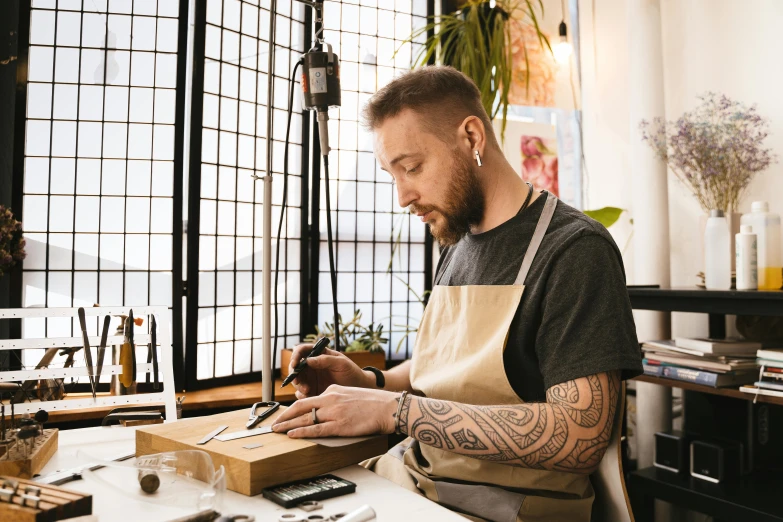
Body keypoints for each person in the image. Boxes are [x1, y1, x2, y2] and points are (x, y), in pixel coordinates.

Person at [272, 66, 643, 521]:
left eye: (411, 167)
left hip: (510, 508)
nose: (403, 196)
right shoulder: (459, 242)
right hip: (415, 483)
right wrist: (369, 383)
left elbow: (578, 436)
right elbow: (450, 366)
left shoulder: (574, 251)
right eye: (393, 175)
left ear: (471, 138)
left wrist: (395, 411)